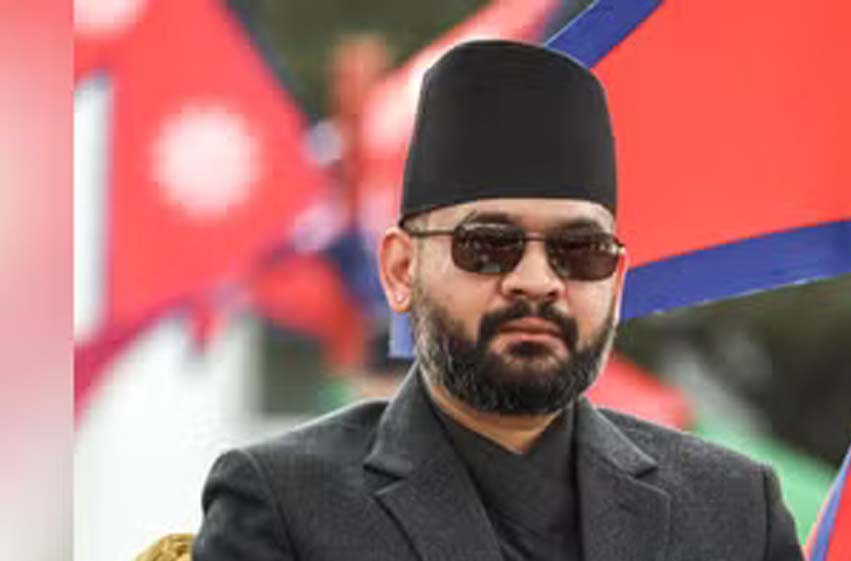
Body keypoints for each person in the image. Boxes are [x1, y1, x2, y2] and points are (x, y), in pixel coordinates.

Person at [193, 40, 804, 561]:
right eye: (487, 246)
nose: (536, 281)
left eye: (580, 250)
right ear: (402, 270)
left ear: (616, 283)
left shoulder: (732, 511)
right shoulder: (287, 506)